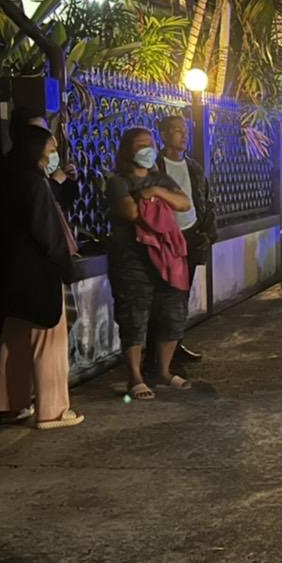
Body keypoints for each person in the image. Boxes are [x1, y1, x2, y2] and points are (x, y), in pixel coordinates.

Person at [0, 125, 83, 430]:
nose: (54, 154)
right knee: (50, 342)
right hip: (39, 271)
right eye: (51, 148)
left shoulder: (5, 177)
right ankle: (53, 410)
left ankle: (11, 403)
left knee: (14, 338)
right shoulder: (34, 182)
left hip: (11, 271)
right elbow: (48, 233)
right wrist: (65, 267)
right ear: (38, 151)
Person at [106, 128, 194, 401]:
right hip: (132, 258)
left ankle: (163, 372)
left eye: (150, 144)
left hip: (167, 257)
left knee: (172, 313)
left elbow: (184, 203)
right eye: (140, 145)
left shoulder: (160, 179)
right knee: (135, 317)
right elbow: (130, 212)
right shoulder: (118, 181)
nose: (147, 149)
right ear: (128, 150)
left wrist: (155, 191)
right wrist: (157, 198)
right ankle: (135, 377)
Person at [156, 114, 218, 366]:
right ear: (164, 135)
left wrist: (207, 233)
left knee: (181, 295)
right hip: (165, 240)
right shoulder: (156, 167)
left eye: (185, 130)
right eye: (177, 131)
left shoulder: (193, 167)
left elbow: (205, 199)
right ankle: (158, 352)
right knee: (163, 296)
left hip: (190, 236)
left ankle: (175, 343)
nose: (184, 135)